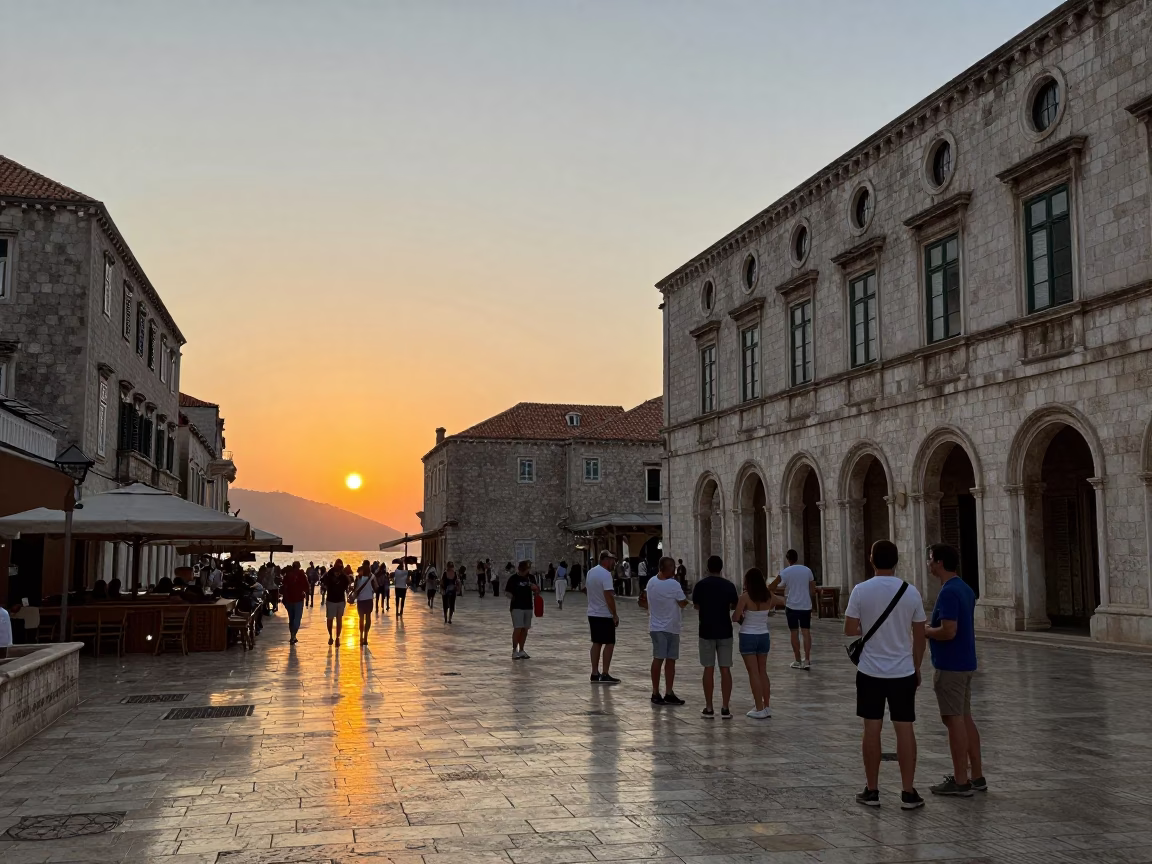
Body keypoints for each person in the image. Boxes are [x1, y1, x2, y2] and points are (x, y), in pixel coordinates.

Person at [845, 539, 927, 810]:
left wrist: (869, 630)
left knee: (872, 729)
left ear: (871, 560)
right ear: (896, 562)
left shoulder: (860, 590)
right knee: (904, 729)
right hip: (902, 670)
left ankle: (872, 789)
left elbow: (849, 629)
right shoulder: (911, 591)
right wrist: (916, 667)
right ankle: (907, 791)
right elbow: (919, 636)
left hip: (870, 671)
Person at [925, 543, 985, 797]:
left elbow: (949, 630)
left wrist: (925, 630)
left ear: (939, 562)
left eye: (930, 559)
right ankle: (977, 775)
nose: (928, 564)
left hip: (950, 665)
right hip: (965, 662)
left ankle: (961, 779)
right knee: (965, 717)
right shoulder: (965, 588)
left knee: (954, 720)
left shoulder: (948, 592)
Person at [692, 555, 739, 718]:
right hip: (725, 630)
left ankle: (709, 707)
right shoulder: (729, 585)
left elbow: (696, 605)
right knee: (725, 669)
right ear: (721, 568)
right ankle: (725, 707)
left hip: (706, 630)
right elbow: (734, 604)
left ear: (707, 568)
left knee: (708, 668)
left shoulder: (700, 585)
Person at [638, 556, 688, 705]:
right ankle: (665, 692)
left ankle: (659, 692)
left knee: (659, 659)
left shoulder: (651, 582)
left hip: (656, 626)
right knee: (669, 660)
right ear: (667, 568)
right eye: (672, 568)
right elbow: (682, 603)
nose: (674, 571)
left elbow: (643, 600)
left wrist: (653, 609)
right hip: (671, 627)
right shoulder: (674, 584)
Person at [734, 568, 774, 719]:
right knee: (763, 671)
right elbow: (784, 601)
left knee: (753, 672)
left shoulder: (745, 597)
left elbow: (735, 616)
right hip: (763, 635)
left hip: (748, 636)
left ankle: (758, 707)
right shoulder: (769, 596)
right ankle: (767, 706)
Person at [769, 550, 818, 670]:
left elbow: (772, 586)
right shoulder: (807, 570)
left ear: (787, 559)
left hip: (792, 606)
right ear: (797, 558)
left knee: (794, 632)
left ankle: (797, 659)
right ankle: (806, 659)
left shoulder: (785, 572)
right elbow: (813, 589)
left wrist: (774, 595)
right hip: (806, 605)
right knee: (806, 632)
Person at [586, 550, 620, 684]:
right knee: (610, 643)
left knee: (596, 642)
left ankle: (594, 672)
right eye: (613, 560)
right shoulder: (606, 575)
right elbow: (608, 596)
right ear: (606, 559)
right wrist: (614, 614)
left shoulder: (591, 572)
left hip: (592, 613)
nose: (614, 563)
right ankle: (605, 673)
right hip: (604, 614)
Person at [506, 559, 539, 659]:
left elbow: (537, 591)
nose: (526, 572)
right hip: (516, 607)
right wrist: (513, 596)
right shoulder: (513, 579)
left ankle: (522, 650)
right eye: (525, 569)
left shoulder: (531, 578)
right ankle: (514, 650)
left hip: (528, 606)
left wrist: (535, 589)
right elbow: (507, 592)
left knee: (525, 629)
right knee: (518, 628)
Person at [322, 560, 350, 646]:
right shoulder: (328, 574)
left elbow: (347, 585)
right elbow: (323, 582)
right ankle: (330, 636)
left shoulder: (343, 576)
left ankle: (337, 637)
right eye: (338, 566)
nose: (339, 569)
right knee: (330, 620)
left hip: (340, 601)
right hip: (331, 600)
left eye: (340, 567)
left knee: (339, 620)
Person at [281, 561, 309, 645]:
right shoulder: (301, 575)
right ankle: (293, 636)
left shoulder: (287, 575)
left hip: (289, 600)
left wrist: (285, 598)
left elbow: (284, 587)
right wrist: (307, 598)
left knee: (291, 619)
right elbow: (307, 588)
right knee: (297, 619)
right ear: (299, 566)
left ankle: (292, 636)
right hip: (298, 600)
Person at [351, 562, 375, 646]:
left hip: (360, 601)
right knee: (368, 618)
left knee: (361, 619)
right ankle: (365, 637)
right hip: (369, 599)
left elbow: (354, 589)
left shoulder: (358, 578)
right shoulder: (372, 577)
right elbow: (376, 587)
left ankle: (361, 637)